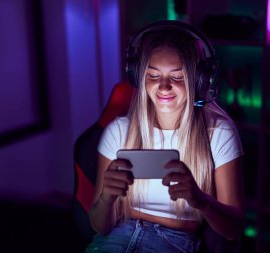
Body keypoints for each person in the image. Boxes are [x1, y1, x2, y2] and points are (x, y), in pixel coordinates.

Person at [85, 20, 245, 253]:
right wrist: (106, 199)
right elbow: (99, 226)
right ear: (139, 76)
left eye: (177, 77)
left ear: (199, 79)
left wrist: (201, 201)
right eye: (153, 75)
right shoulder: (118, 131)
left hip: (174, 243)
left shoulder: (219, 135)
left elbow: (234, 228)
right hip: (116, 238)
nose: (164, 86)